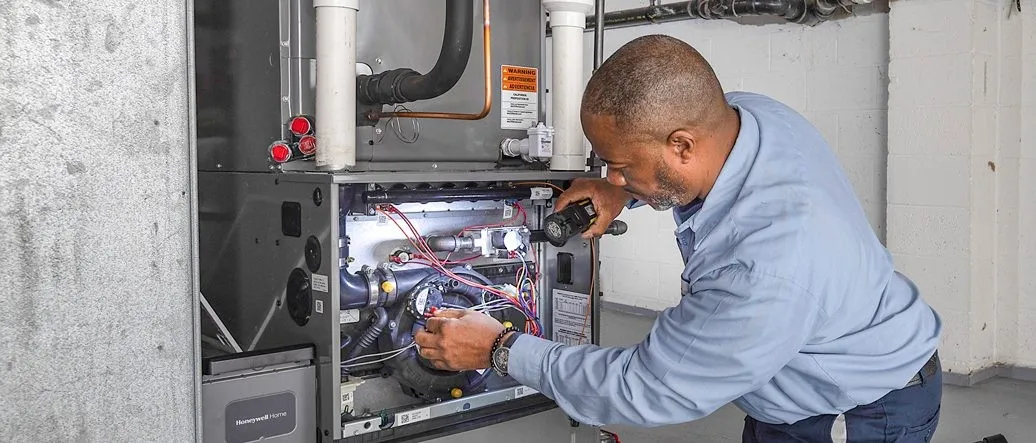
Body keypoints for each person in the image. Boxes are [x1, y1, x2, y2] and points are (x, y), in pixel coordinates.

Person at [414, 34, 943, 442]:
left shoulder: (761, 266)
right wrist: (621, 190)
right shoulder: (754, 117)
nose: (612, 177)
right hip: (804, 373)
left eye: (620, 166)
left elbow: (649, 387)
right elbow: (680, 158)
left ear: (682, 145)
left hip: (857, 410)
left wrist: (500, 348)